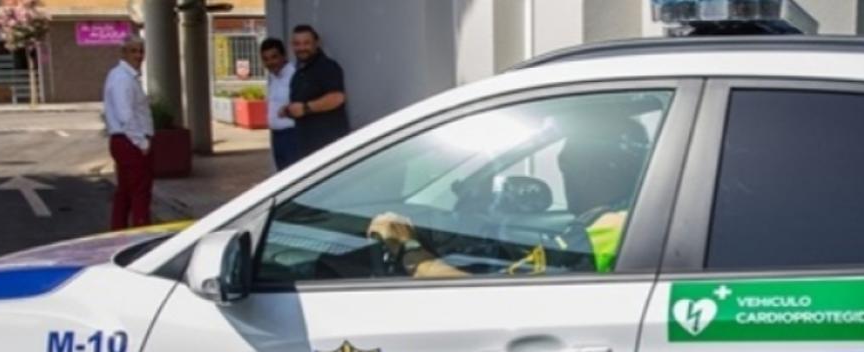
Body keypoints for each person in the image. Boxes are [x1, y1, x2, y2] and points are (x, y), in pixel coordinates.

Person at [366, 114, 650, 279]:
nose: (567, 175)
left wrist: (410, 249)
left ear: (597, 170)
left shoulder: (596, 233)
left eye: (569, 165)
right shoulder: (640, 217)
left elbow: (492, 300)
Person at [102, 36, 155, 230]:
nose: (139, 56)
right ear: (123, 53)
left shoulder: (127, 77)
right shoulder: (122, 78)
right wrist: (142, 143)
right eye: (133, 51)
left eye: (141, 51)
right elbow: (125, 115)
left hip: (126, 141)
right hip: (129, 142)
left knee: (125, 192)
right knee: (140, 193)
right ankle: (142, 232)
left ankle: (119, 230)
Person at [282, 24, 349, 159]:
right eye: (297, 44)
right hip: (306, 147)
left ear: (316, 43)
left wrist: (306, 108)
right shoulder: (299, 73)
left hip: (327, 148)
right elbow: (301, 105)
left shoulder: (327, 67)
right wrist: (289, 110)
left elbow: (337, 97)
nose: (301, 48)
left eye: (306, 43)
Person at [260, 37, 298, 171]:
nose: (270, 62)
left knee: (293, 176)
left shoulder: (295, 75)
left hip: (293, 136)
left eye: (274, 57)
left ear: (284, 56)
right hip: (277, 137)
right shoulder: (273, 77)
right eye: (266, 59)